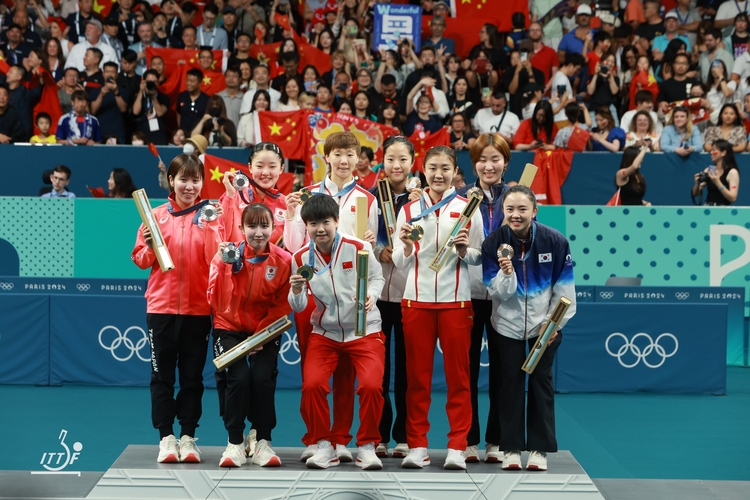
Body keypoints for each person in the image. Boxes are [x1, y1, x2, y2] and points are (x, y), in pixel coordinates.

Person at [283, 132, 378, 465]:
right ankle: (316, 437)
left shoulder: (367, 198)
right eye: (337, 154)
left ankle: (341, 438)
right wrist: (291, 214)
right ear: (327, 157)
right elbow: (293, 242)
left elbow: (371, 250)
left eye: (350, 154)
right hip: (314, 291)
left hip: (352, 290)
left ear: (358, 159)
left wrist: (370, 244)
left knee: (349, 373)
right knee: (314, 374)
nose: (343, 160)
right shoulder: (307, 194)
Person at [392, 145, 484, 470]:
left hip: (456, 302)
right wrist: (403, 246)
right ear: (423, 169)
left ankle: (458, 445)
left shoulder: (469, 207)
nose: (439, 174)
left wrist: (463, 251)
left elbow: (479, 256)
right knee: (417, 379)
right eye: (433, 167)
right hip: (415, 302)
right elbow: (401, 264)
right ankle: (417, 445)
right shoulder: (408, 209)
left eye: (445, 168)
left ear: (455, 171)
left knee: (459, 378)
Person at [131, 154, 223, 464]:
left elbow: (215, 261)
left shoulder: (211, 217)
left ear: (201, 183)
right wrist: (146, 243)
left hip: (198, 311)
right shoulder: (155, 216)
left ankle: (187, 437)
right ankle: (166, 438)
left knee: (193, 378)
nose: (189, 185)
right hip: (161, 309)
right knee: (161, 377)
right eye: (183, 179)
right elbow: (141, 260)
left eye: (195, 180)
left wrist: (211, 227)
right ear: (171, 181)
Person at [481, 184, 576, 471]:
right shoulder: (492, 243)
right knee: (508, 385)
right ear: (503, 212)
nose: (516, 215)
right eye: (510, 209)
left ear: (534, 211)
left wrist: (553, 325)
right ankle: (510, 448)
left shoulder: (555, 241)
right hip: (506, 327)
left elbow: (565, 290)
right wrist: (507, 274)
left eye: (522, 209)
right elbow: (496, 292)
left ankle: (539, 449)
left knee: (541, 384)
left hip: (544, 327)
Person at [208, 203, 292, 468]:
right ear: (242, 228)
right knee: (238, 377)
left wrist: (258, 338)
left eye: (264, 226)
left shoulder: (283, 261)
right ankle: (234, 442)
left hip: (265, 329)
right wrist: (223, 267)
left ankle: (263, 440)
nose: (258, 232)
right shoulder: (227, 255)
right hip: (228, 325)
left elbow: (281, 305)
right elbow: (217, 302)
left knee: (262, 377)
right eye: (252, 226)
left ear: (273, 228)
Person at [455, 134, 510, 464]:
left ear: (506, 162)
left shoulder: (517, 198)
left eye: (495, 159)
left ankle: (496, 439)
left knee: (504, 371)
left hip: (505, 296)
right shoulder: (461, 199)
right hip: (470, 293)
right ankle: (469, 438)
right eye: (482, 160)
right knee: (467, 370)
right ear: (473, 164)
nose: (489, 166)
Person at [367, 136, 421, 458]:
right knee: (379, 371)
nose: (396, 166)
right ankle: (378, 434)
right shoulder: (371, 199)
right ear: (382, 162)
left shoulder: (425, 201)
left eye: (402, 159)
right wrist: (377, 250)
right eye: (390, 159)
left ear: (413, 162)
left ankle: (404, 435)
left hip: (411, 294)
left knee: (408, 370)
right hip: (376, 296)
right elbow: (360, 238)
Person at [219, 142, 288, 248]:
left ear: (281, 169)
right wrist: (230, 196)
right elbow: (220, 234)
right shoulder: (234, 195)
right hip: (236, 263)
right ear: (250, 167)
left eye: (272, 166)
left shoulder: (287, 205)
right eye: (259, 166)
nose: (265, 172)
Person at [692, 140, 740, 206]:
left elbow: (733, 198)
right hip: (708, 207)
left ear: (723, 153)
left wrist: (717, 182)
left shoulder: (732, 172)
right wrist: (697, 183)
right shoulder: (709, 170)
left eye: (714, 150)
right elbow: (695, 194)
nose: (711, 152)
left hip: (723, 209)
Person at [90, 61, 128, 143]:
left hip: (117, 133)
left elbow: (123, 109)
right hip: (99, 133)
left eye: (112, 72)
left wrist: (116, 92)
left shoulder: (123, 91)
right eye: (107, 72)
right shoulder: (95, 91)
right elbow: (93, 111)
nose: (109, 74)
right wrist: (101, 94)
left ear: (117, 75)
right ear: (103, 74)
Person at [132, 69, 169, 145]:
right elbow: (135, 112)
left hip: (159, 135)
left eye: (154, 81)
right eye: (149, 81)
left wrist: (153, 96)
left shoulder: (164, 97)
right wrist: (141, 91)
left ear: (158, 83)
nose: (152, 83)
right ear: (143, 82)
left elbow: (160, 113)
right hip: (141, 136)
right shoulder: (138, 96)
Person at [549, 52, 584, 125]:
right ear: (571, 65)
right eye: (577, 69)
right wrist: (575, 99)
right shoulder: (562, 80)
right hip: (562, 119)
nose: (577, 72)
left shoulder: (560, 76)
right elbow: (563, 102)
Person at [177, 69, 210, 137]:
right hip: (183, 137)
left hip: (199, 137)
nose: (188, 83)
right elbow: (178, 113)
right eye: (187, 80)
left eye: (192, 81)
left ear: (200, 83)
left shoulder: (207, 99)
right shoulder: (182, 96)